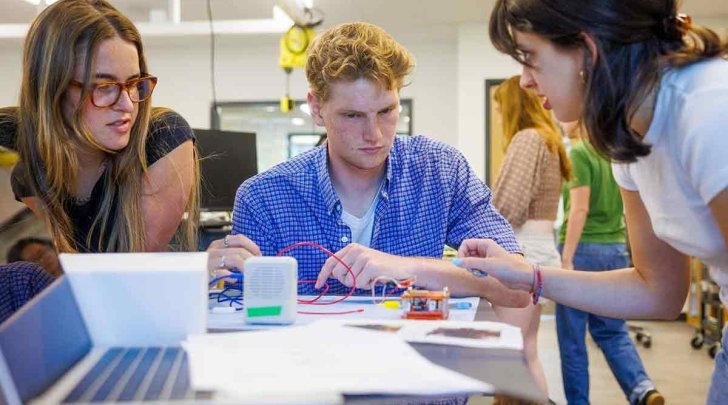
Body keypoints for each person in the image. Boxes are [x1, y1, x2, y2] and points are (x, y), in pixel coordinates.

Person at [452, 0, 728, 402]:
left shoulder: (707, 109)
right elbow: (659, 291)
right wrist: (529, 274)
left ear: (586, 50)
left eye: (530, 59)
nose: (525, 81)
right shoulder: (630, 136)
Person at [211, 22, 529, 309]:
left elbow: (518, 288)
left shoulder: (441, 170)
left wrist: (407, 268)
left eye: (387, 111)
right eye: (353, 116)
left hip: (413, 366)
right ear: (317, 109)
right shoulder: (264, 198)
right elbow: (239, 317)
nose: (374, 135)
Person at [1, 0, 198, 254]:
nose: (127, 105)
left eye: (134, 83)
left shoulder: (164, 138)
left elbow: (123, 279)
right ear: (52, 90)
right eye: (105, 87)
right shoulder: (11, 144)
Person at [557, 121, 661, 404]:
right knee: (614, 331)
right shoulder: (612, 153)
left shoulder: (579, 153)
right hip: (615, 248)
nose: (561, 123)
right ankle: (642, 388)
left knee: (572, 340)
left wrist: (566, 259)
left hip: (583, 249)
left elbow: (579, 208)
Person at [490, 75, 571, 398]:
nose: (499, 117)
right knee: (527, 350)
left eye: (500, 109)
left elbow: (508, 205)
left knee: (514, 355)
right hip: (540, 246)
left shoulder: (527, 139)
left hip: (522, 249)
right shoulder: (549, 139)